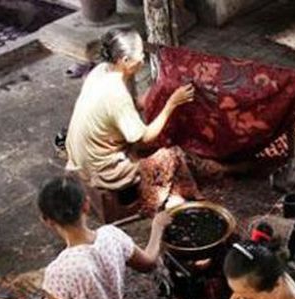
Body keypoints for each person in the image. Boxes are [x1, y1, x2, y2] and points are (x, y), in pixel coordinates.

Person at [13, 175, 171, 299]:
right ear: (86, 205)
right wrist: (157, 227)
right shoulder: (112, 235)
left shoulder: (60, 271)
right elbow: (148, 263)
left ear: (47, 221)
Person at [64, 28, 202, 213]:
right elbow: (144, 138)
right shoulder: (116, 94)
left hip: (81, 157)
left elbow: (120, 110)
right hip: (102, 169)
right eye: (140, 55)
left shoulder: (101, 70)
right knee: (171, 155)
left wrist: (153, 96)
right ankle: (158, 200)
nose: (143, 59)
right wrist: (171, 103)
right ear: (125, 60)